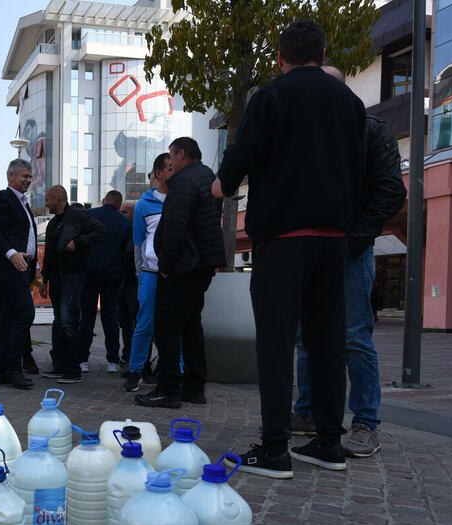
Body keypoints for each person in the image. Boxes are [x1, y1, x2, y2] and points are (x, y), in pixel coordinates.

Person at [213, 19, 366, 478]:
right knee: (327, 343)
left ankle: (276, 449)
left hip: (282, 238)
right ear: (322, 53)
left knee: (277, 344)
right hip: (334, 239)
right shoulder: (349, 101)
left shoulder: (272, 96)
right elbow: (357, 165)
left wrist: (223, 185)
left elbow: (242, 154)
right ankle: (329, 443)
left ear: (280, 58)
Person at [291, 65, 407, 457]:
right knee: (306, 338)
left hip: (350, 251)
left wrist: (356, 238)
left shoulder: (370, 130)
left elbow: (392, 190)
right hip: (310, 248)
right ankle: (306, 412)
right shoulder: (310, 133)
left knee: (355, 337)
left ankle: (364, 422)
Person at [135, 137, 226, 408]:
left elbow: (175, 227)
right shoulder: (205, 176)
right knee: (190, 325)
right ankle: (194, 387)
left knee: (167, 326)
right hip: (200, 264)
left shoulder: (184, 182)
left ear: (181, 154)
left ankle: (168, 388)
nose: (170, 163)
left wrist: (165, 266)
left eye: (172, 157)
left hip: (183, 266)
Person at [41, 185, 107, 383]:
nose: (45, 203)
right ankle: (60, 364)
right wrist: (43, 278)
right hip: (56, 278)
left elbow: (102, 231)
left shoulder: (77, 216)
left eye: (47, 199)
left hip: (72, 275)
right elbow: (50, 254)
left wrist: (78, 243)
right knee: (59, 321)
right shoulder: (53, 224)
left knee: (68, 320)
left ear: (56, 198)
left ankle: (73, 367)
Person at [0, 159, 38, 389]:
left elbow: (27, 236)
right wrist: (11, 254)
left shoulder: (24, 203)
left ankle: (5, 371)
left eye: (29, 176)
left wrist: (34, 266)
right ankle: (13, 367)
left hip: (23, 269)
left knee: (7, 320)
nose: (28, 180)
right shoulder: (2, 199)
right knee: (26, 313)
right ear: (11, 176)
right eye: (24, 176)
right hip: (10, 268)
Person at [124, 153, 171, 392]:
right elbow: (139, 243)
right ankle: (135, 371)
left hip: (176, 276)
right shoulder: (144, 204)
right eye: (170, 168)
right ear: (158, 173)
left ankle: (177, 372)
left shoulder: (183, 199)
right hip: (150, 273)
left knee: (177, 325)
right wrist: (140, 273)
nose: (176, 172)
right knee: (144, 324)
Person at [80, 190, 130, 373]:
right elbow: (127, 253)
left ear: (104, 200)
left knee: (86, 317)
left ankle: (82, 360)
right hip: (112, 276)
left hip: (89, 274)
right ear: (119, 204)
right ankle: (113, 361)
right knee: (111, 318)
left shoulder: (89, 216)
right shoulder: (125, 222)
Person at [117, 201, 138, 366]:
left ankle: (134, 355)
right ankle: (127, 353)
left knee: (135, 321)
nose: (121, 215)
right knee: (124, 322)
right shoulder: (121, 231)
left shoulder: (137, 231)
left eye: (124, 212)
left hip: (133, 283)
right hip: (121, 284)